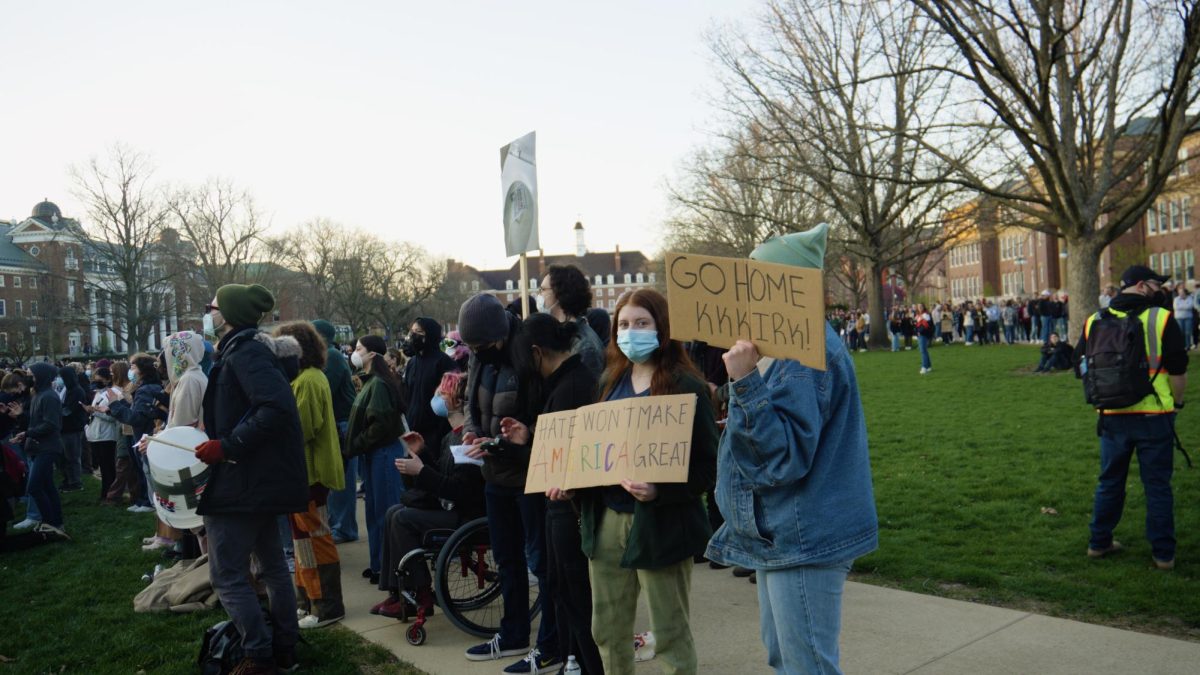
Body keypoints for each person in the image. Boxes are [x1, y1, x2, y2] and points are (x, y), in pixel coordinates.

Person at [707, 224, 878, 675]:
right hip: (786, 533)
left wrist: (744, 383)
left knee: (807, 667)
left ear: (784, 282)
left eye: (757, 277)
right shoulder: (785, 344)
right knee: (787, 657)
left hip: (803, 535)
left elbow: (781, 460)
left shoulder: (803, 352)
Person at [567, 288, 718, 675]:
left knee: (669, 632)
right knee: (608, 629)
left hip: (662, 524)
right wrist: (569, 480)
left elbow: (708, 465)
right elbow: (595, 454)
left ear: (661, 328)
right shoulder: (608, 382)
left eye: (642, 323)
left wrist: (660, 489)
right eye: (624, 325)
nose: (631, 332)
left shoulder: (687, 386)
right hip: (607, 523)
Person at [195, 283, 309, 674]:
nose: (207, 313)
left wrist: (228, 446)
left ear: (227, 314)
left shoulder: (246, 353)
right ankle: (284, 648)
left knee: (227, 574)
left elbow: (275, 409)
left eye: (211, 307)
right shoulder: (244, 351)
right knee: (272, 567)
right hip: (256, 479)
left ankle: (259, 655)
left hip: (244, 480)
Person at [456, 293, 558, 672]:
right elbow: (470, 405)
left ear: (498, 334)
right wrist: (470, 434)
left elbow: (544, 413)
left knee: (541, 563)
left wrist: (510, 440)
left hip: (528, 475)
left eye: (482, 344)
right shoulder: (480, 359)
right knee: (507, 559)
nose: (478, 351)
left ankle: (550, 643)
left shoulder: (528, 353)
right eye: (473, 346)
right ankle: (514, 633)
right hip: (493, 475)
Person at [503, 313, 602, 675]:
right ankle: (573, 661)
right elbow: (554, 453)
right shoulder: (566, 383)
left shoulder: (571, 386)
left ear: (536, 352)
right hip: (560, 505)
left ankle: (585, 665)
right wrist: (526, 441)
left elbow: (572, 457)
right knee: (564, 594)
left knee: (576, 598)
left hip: (570, 509)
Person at [1075, 266, 1187, 571]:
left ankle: (1099, 542)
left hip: (1112, 415)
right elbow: (1178, 371)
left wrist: (1102, 394)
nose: (1159, 290)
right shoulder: (1161, 318)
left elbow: (1080, 367)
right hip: (1154, 415)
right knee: (1157, 485)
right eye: (1155, 284)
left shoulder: (1094, 320)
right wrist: (1177, 404)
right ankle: (1163, 553)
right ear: (1140, 285)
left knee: (1109, 482)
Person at [373, 372, 485, 619]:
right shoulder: (451, 436)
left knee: (402, 519)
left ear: (456, 401)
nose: (434, 397)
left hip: (468, 517)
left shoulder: (467, 439)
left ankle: (418, 593)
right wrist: (421, 454)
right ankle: (399, 591)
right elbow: (444, 477)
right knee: (394, 512)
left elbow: (460, 490)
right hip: (456, 510)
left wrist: (422, 470)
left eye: (440, 393)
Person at [275, 321, 347, 629]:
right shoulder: (307, 377)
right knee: (303, 540)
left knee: (315, 539)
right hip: (302, 474)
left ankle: (327, 605)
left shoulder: (307, 380)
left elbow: (300, 429)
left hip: (311, 474)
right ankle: (308, 601)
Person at [346, 334, 407, 584]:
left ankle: (388, 568)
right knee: (373, 512)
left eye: (359, 348)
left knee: (383, 512)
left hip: (382, 453)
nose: (354, 352)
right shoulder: (372, 381)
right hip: (373, 454)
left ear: (372, 354)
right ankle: (378, 564)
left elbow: (379, 425)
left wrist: (356, 444)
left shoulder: (379, 384)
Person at [104, 354, 171, 549]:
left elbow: (136, 419)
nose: (130, 370)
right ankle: (161, 533)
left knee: (156, 491)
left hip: (147, 441)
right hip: (147, 440)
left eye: (132, 366)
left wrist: (115, 404)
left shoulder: (145, 390)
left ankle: (165, 536)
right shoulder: (147, 388)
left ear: (142, 369)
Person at [312, 319, 360, 545]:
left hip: (342, 424)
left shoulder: (331, 356)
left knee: (341, 479)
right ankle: (339, 525)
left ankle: (344, 528)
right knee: (337, 479)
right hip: (338, 422)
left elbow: (323, 390)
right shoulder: (330, 355)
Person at [11, 363, 68, 538]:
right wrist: (22, 418)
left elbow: (51, 425)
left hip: (47, 447)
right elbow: (37, 421)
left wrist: (28, 432)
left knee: (34, 487)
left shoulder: (49, 397)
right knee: (47, 486)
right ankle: (56, 523)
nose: (28, 378)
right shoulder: (38, 395)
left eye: (31, 375)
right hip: (38, 446)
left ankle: (50, 522)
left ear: (41, 376)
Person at [537, 263, 606, 376]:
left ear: (560, 294)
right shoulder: (562, 335)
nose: (539, 295)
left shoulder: (585, 346)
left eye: (543, 290)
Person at [402, 318, 457, 452]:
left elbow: (451, 398)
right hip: (413, 432)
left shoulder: (443, 362)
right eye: (412, 331)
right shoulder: (412, 362)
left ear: (430, 335)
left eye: (419, 331)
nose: (413, 335)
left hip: (435, 435)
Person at [84, 367, 120, 504]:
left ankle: (110, 494)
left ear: (107, 379)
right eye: (94, 377)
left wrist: (95, 412)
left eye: (99, 378)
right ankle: (105, 493)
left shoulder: (114, 393)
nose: (96, 380)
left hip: (107, 435)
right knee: (103, 466)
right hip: (96, 435)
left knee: (108, 466)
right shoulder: (98, 393)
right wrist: (91, 411)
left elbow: (113, 416)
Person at [56, 365, 88, 493]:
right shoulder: (67, 389)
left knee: (72, 457)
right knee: (64, 458)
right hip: (65, 428)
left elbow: (69, 410)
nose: (59, 379)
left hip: (73, 428)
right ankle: (68, 480)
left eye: (61, 377)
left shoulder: (77, 391)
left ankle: (75, 482)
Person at [915, 304, 934, 374]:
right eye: (918, 307)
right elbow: (916, 325)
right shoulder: (918, 315)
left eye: (921, 307)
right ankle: (928, 366)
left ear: (923, 307)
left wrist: (919, 332)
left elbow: (926, 325)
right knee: (924, 350)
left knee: (923, 351)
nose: (919, 308)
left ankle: (924, 367)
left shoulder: (926, 315)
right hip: (920, 334)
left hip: (923, 334)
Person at [1174, 286, 1194, 350]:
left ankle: (1188, 346)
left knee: (1188, 332)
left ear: (1185, 292)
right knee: (1180, 332)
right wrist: (1185, 306)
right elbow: (1176, 307)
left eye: (1182, 292)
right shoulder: (1176, 299)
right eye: (1179, 292)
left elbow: (1190, 306)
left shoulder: (1190, 298)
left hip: (1188, 318)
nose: (1181, 294)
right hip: (1179, 318)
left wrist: (1181, 307)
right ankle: (1181, 346)